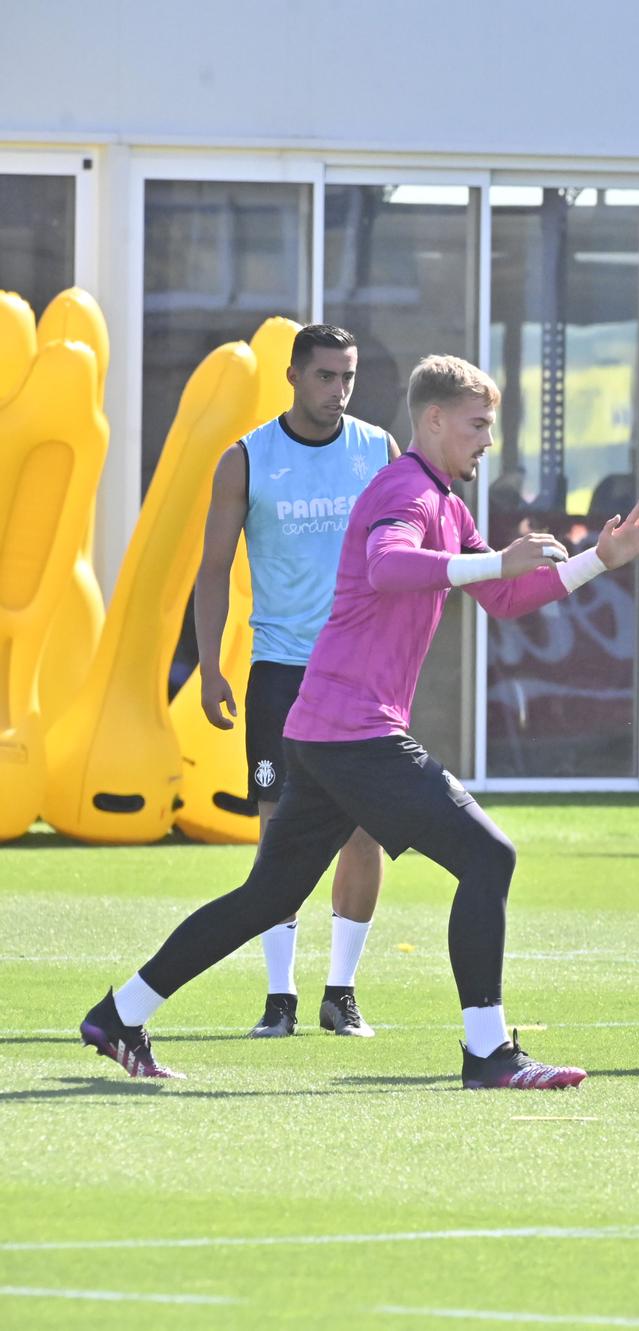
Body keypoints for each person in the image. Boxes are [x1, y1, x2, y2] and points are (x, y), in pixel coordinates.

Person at [80, 355, 639, 1088]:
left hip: (327, 728)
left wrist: (597, 561)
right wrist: (494, 564)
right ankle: (487, 1052)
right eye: (479, 424)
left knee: (266, 897)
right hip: (354, 731)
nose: (489, 440)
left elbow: (505, 599)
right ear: (433, 421)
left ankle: (120, 1012)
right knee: (490, 858)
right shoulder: (404, 490)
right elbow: (391, 567)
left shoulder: (446, 504)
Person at [193, 323, 395, 1040]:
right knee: (278, 831)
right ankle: (279, 995)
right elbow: (213, 568)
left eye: (348, 376)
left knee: (365, 827)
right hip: (279, 668)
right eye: (325, 376)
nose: (338, 390)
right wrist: (211, 663)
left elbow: (411, 558)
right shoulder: (247, 458)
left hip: (361, 671)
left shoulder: (378, 451)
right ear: (292, 375)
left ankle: (341, 992)